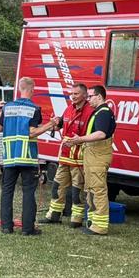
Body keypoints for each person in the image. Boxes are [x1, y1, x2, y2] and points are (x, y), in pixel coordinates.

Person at [0, 77, 58, 235]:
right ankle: (27, 229)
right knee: (28, 191)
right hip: (27, 158)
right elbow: (31, 132)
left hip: (9, 157)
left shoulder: (7, 108)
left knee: (7, 191)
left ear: (19, 89)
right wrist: (51, 124)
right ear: (32, 89)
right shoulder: (34, 109)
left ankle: (6, 227)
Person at [65, 85, 116, 236]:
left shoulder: (104, 113)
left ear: (99, 97)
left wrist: (79, 139)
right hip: (92, 155)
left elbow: (100, 134)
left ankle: (100, 226)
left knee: (98, 189)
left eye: (90, 96)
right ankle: (93, 222)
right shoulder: (98, 112)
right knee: (91, 189)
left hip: (98, 156)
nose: (88, 99)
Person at [42, 83, 94, 227]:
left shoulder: (90, 111)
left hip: (79, 158)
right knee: (57, 187)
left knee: (77, 190)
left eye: (76, 94)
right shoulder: (69, 109)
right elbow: (62, 126)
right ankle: (53, 215)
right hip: (64, 156)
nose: (73, 96)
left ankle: (76, 219)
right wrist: (56, 122)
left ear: (84, 95)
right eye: (72, 94)